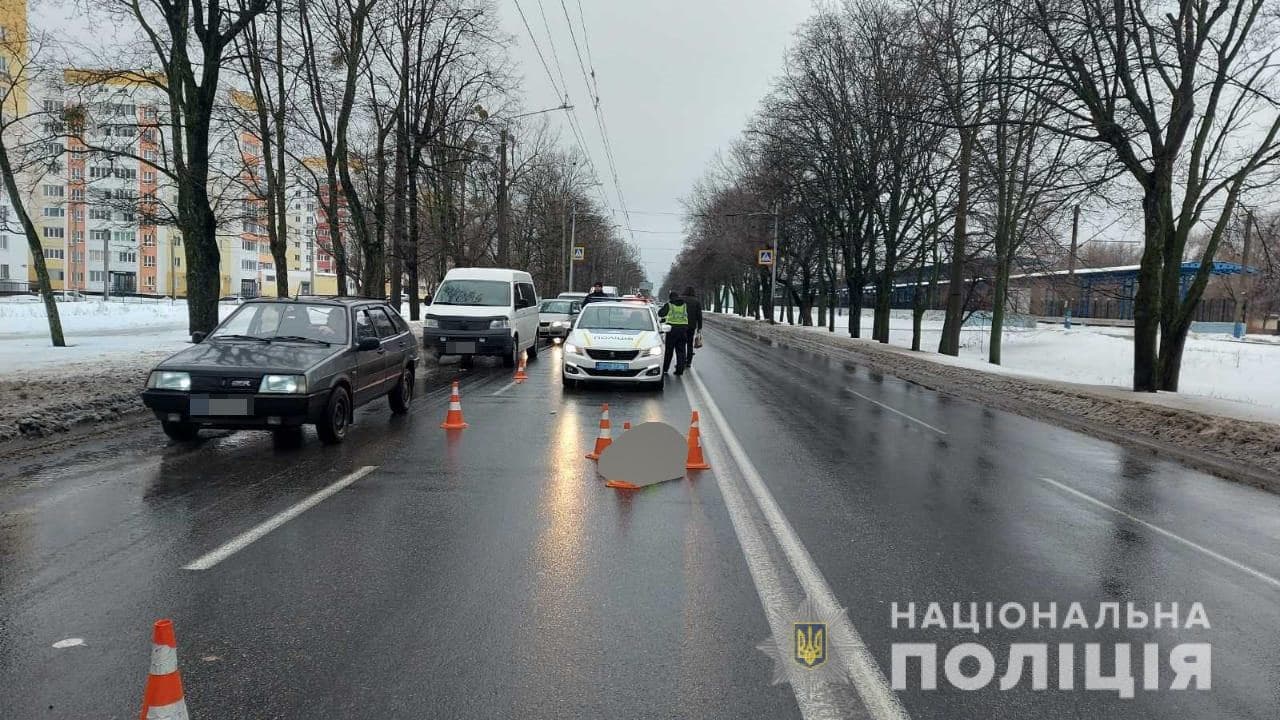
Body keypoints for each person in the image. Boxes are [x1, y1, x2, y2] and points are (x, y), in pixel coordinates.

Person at [658, 290, 690, 375]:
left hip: (671, 330)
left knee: (669, 350)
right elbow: (688, 316)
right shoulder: (684, 305)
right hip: (683, 330)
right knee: (681, 351)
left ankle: (665, 369)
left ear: (670, 298)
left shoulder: (669, 305)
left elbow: (660, 313)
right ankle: (680, 370)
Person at [682, 285, 703, 367]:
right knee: (690, 344)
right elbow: (699, 316)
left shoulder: (681, 300)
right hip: (692, 326)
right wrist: (699, 327)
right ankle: (689, 361)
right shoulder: (696, 302)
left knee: (682, 343)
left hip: (682, 325)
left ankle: (682, 360)